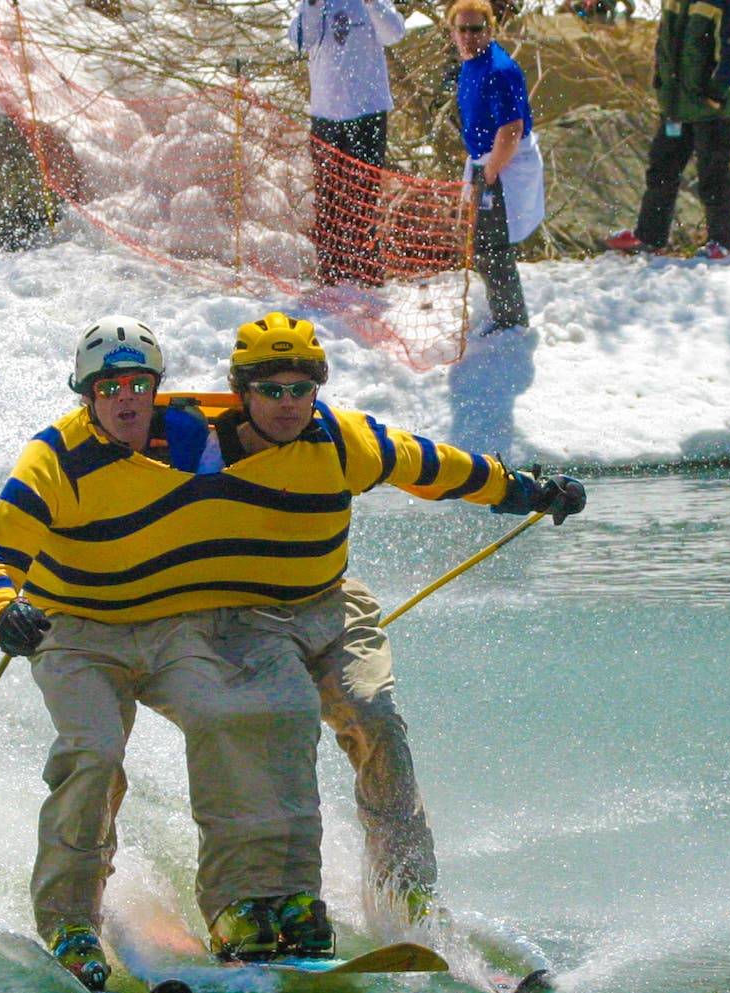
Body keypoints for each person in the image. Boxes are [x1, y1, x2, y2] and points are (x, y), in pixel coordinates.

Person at [0, 316, 334, 981]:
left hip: (168, 624)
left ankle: (241, 904)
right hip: (73, 631)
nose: (126, 398)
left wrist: (521, 490)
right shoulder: (52, 457)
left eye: (138, 382)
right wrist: (2, 612)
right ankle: (71, 921)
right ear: (86, 396)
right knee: (95, 751)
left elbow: (272, 441)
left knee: (229, 716)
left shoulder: (190, 436)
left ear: (156, 386)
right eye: (109, 387)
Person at [192, 312, 585, 923]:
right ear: (242, 393)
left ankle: (407, 891)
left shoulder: (345, 439)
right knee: (288, 731)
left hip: (331, 606)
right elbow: (104, 486)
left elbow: (437, 467)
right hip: (243, 622)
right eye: (271, 390)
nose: (288, 404)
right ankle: (276, 899)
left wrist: (528, 491)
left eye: (302, 389)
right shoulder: (196, 448)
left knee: (376, 721)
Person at [604, 0, 730, 261]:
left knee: (713, 174)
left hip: (712, 110)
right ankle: (650, 236)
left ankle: (724, 241)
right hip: (675, 106)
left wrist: (717, 91)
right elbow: (664, 46)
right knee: (661, 168)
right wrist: (660, 83)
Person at [287, 0, 406, 286]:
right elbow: (300, 39)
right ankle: (331, 272)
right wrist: (313, 6)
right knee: (329, 200)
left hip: (367, 113)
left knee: (364, 198)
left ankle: (365, 274)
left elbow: (394, 33)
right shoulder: (311, 4)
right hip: (326, 116)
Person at [447, 0, 545, 335]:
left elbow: (512, 129)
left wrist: (489, 174)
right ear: (453, 31)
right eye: (463, 29)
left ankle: (511, 323)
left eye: (477, 29)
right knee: (481, 245)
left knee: (494, 248)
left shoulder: (498, 70)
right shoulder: (470, 64)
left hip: (503, 164)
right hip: (485, 161)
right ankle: (497, 309)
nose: (469, 36)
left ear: (490, 30)